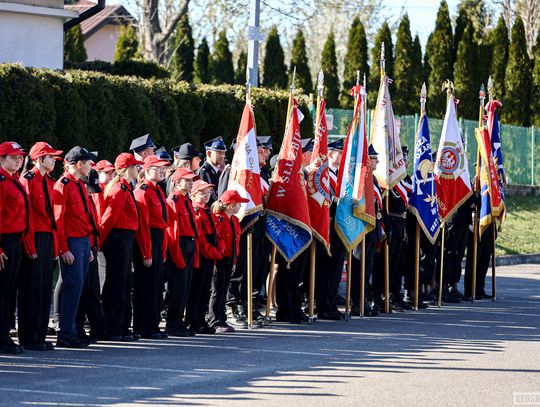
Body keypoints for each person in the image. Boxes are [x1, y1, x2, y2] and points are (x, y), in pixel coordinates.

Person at [53, 146, 98, 348]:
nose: (91, 167)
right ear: (79, 164)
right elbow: (59, 219)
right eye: (89, 163)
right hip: (71, 242)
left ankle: (72, 330)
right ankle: (65, 333)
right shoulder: (63, 185)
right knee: (73, 286)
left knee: (78, 287)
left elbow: (86, 217)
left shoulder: (79, 184)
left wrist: (88, 245)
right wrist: (63, 248)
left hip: (82, 241)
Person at [99, 153, 143, 340]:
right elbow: (108, 218)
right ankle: (113, 327)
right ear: (127, 169)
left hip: (125, 239)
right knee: (116, 284)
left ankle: (122, 327)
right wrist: (99, 241)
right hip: (117, 239)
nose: (138, 169)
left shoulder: (125, 187)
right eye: (135, 166)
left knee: (124, 283)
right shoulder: (119, 189)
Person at [133, 154, 170, 339]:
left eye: (163, 168)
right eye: (157, 168)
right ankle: (143, 327)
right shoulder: (143, 191)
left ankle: (153, 325)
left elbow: (163, 222)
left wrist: (161, 249)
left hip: (157, 239)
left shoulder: (158, 191)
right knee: (145, 287)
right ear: (147, 170)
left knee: (155, 286)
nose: (162, 171)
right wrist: (147, 252)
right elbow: (143, 226)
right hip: (148, 240)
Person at [0, 142, 30, 355]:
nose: (18, 160)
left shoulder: (13, 180)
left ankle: (4, 332)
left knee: (9, 291)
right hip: (5, 241)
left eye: (20, 157)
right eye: (13, 157)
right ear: (1, 160)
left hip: (16, 240)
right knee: (2, 291)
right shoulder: (2, 182)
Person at [185, 180, 223, 334]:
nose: (206, 196)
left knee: (205, 289)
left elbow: (217, 233)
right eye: (202, 193)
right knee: (197, 289)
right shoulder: (196, 211)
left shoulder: (207, 210)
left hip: (209, 255)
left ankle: (200, 319)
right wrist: (213, 252)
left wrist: (217, 251)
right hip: (201, 255)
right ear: (193, 195)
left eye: (208, 193)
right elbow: (200, 238)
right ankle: (193, 321)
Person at [165, 167, 199, 337]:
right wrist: (177, 254)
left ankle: (179, 320)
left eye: (191, 180)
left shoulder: (187, 200)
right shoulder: (174, 200)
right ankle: (172, 322)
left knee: (185, 286)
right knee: (177, 286)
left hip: (189, 243)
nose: (191, 183)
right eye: (187, 180)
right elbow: (172, 230)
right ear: (177, 182)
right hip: (180, 244)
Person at [315, 138, 346, 320]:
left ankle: (332, 303)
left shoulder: (342, 175)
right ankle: (322, 305)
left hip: (340, 226)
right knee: (324, 268)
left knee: (336, 268)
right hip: (327, 225)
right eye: (340, 152)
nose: (342, 156)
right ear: (330, 153)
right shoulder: (323, 174)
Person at [208, 191, 247, 333]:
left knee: (224, 289)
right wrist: (216, 259)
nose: (240, 206)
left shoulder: (234, 220)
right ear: (231, 205)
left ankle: (222, 318)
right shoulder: (219, 219)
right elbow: (217, 240)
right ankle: (214, 320)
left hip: (229, 259)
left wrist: (234, 260)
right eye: (238, 204)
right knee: (217, 290)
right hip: (220, 258)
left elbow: (235, 241)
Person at [351, 145, 382, 316]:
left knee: (367, 268)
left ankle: (364, 299)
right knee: (358, 266)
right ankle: (357, 301)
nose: (377, 161)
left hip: (372, 228)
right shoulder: (359, 178)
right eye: (374, 158)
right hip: (360, 227)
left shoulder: (374, 179)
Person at [198, 136, 226, 205]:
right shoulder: (204, 172)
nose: (223, 156)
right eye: (219, 152)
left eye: (224, 152)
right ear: (209, 153)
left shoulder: (218, 171)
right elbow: (209, 198)